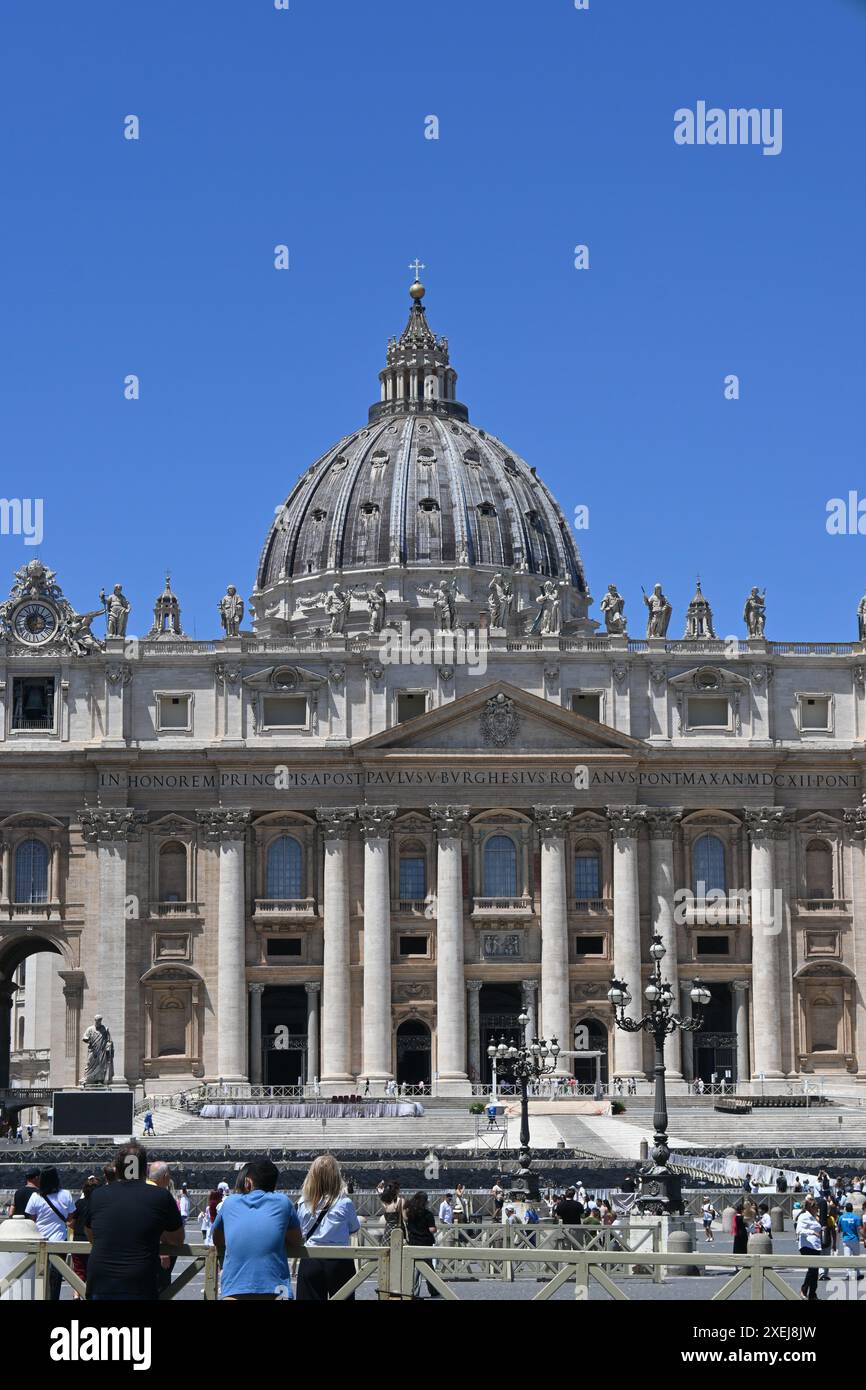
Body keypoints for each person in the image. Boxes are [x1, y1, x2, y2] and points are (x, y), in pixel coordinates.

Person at [85, 1142, 183, 1301]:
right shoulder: (161, 1197)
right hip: (139, 1282)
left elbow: (91, 1234)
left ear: (117, 1169)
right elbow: (177, 1240)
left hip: (101, 1281)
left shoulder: (98, 1196)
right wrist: (158, 1232)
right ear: (145, 1169)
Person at [213, 1157, 303, 1301]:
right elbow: (296, 1241)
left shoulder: (230, 1203)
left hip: (234, 1289)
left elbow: (217, 1239)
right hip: (277, 1289)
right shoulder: (283, 1202)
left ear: (248, 1182)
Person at [295, 1153, 361, 1301]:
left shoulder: (303, 1202)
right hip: (340, 1259)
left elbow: (300, 1230)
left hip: (311, 1257)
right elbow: (354, 1229)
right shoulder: (345, 1203)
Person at [25, 1167, 76, 1300]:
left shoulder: (35, 1197)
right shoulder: (66, 1194)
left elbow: (31, 1220)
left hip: (40, 1240)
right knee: (56, 1276)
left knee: (39, 1274)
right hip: (59, 1240)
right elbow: (71, 1217)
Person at [404, 1191, 439, 1299]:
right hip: (425, 1243)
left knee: (415, 1267)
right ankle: (433, 1290)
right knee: (428, 1268)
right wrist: (436, 1228)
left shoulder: (410, 1213)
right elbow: (432, 1229)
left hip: (413, 1242)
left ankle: (413, 1291)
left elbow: (405, 1221)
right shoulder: (427, 1214)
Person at [70, 1176, 100, 1297]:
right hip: (94, 1241)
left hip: (78, 1240)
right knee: (94, 1273)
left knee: (79, 1272)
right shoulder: (100, 1205)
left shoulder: (79, 1203)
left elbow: (72, 1223)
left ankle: (77, 1294)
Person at [796, 1198, 823, 1300]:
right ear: (811, 1208)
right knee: (812, 1269)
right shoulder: (804, 1216)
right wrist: (812, 1232)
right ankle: (804, 1290)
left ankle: (812, 1294)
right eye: (816, 1207)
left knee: (815, 1270)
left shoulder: (813, 1216)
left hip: (815, 1246)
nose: (818, 1209)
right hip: (807, 1245)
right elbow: (799, 1230)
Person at [837, 1202, 864, 1280]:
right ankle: (858, 1274)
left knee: (847, 1257)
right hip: (855, 1239)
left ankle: (848, 1274)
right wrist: (864, 1237)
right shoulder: (856, 1218)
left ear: (845, 1209)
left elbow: (839, 1229)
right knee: (856, 1257)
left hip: (846, 1240)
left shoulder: (841, 1217)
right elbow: (859, 1229)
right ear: (852, 1209)